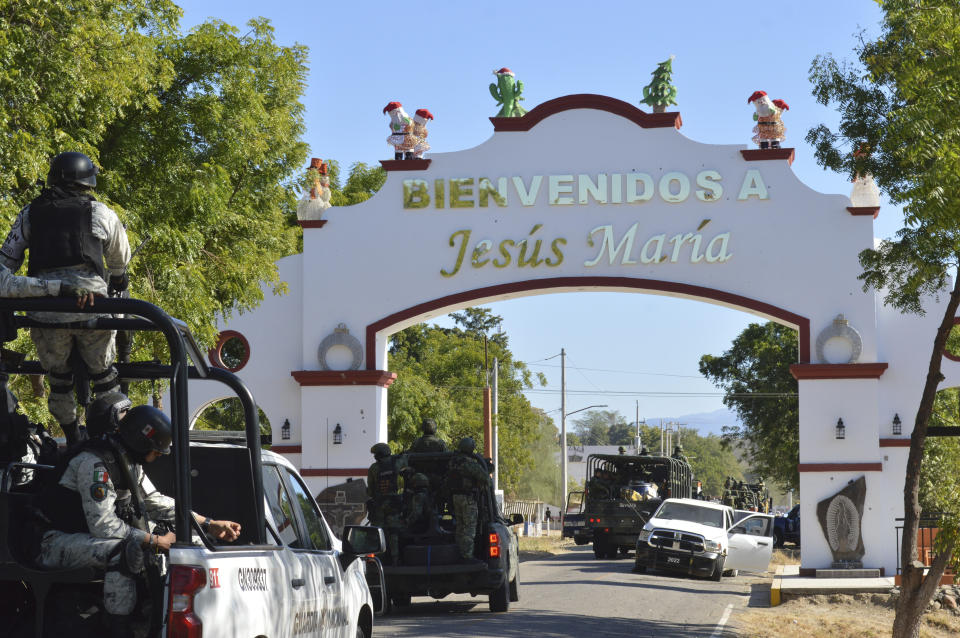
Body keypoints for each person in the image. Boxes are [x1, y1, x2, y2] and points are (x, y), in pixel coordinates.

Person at [35, 404, 240, 636]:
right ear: (140, 441)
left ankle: (155, 619)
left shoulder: (127, 461)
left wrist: (208, 524)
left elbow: (154, 502)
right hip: (51, 541)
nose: (156, 457)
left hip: (85, 537)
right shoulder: (94, 464)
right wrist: (154, 541)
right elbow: (103, 525)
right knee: (123, 551)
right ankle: (120, 630)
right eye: (155, 450)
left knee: (188, 543)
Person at [0, 152, 131, 446]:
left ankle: (72, 438)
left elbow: (6, 261)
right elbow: (119, 260)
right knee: (105, 376)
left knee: (58, 379)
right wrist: (120, 278)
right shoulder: (101, 213)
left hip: (46, 312)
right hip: (93, 311)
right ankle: (106, 439)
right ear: (87, 184)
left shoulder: (29, 213)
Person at [445, 437, 490, 561]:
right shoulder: (469, 463)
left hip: (455, 498)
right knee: (469, 528)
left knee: (460, 526)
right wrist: (487, 467)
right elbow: (485, 478)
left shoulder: (453, 462)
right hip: (467, 499)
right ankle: (467, 556)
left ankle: (459, 553)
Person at [366, 442, 405, 563]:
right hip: (393, 503)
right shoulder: (397, 463)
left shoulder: (374, 468)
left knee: (378, 532)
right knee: (394, 531)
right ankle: (395, 558)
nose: (374, 457)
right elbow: (407, 460)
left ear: (379, 455)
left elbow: (370, 490)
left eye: (376, 454)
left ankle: (378, 559)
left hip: (379, 504)